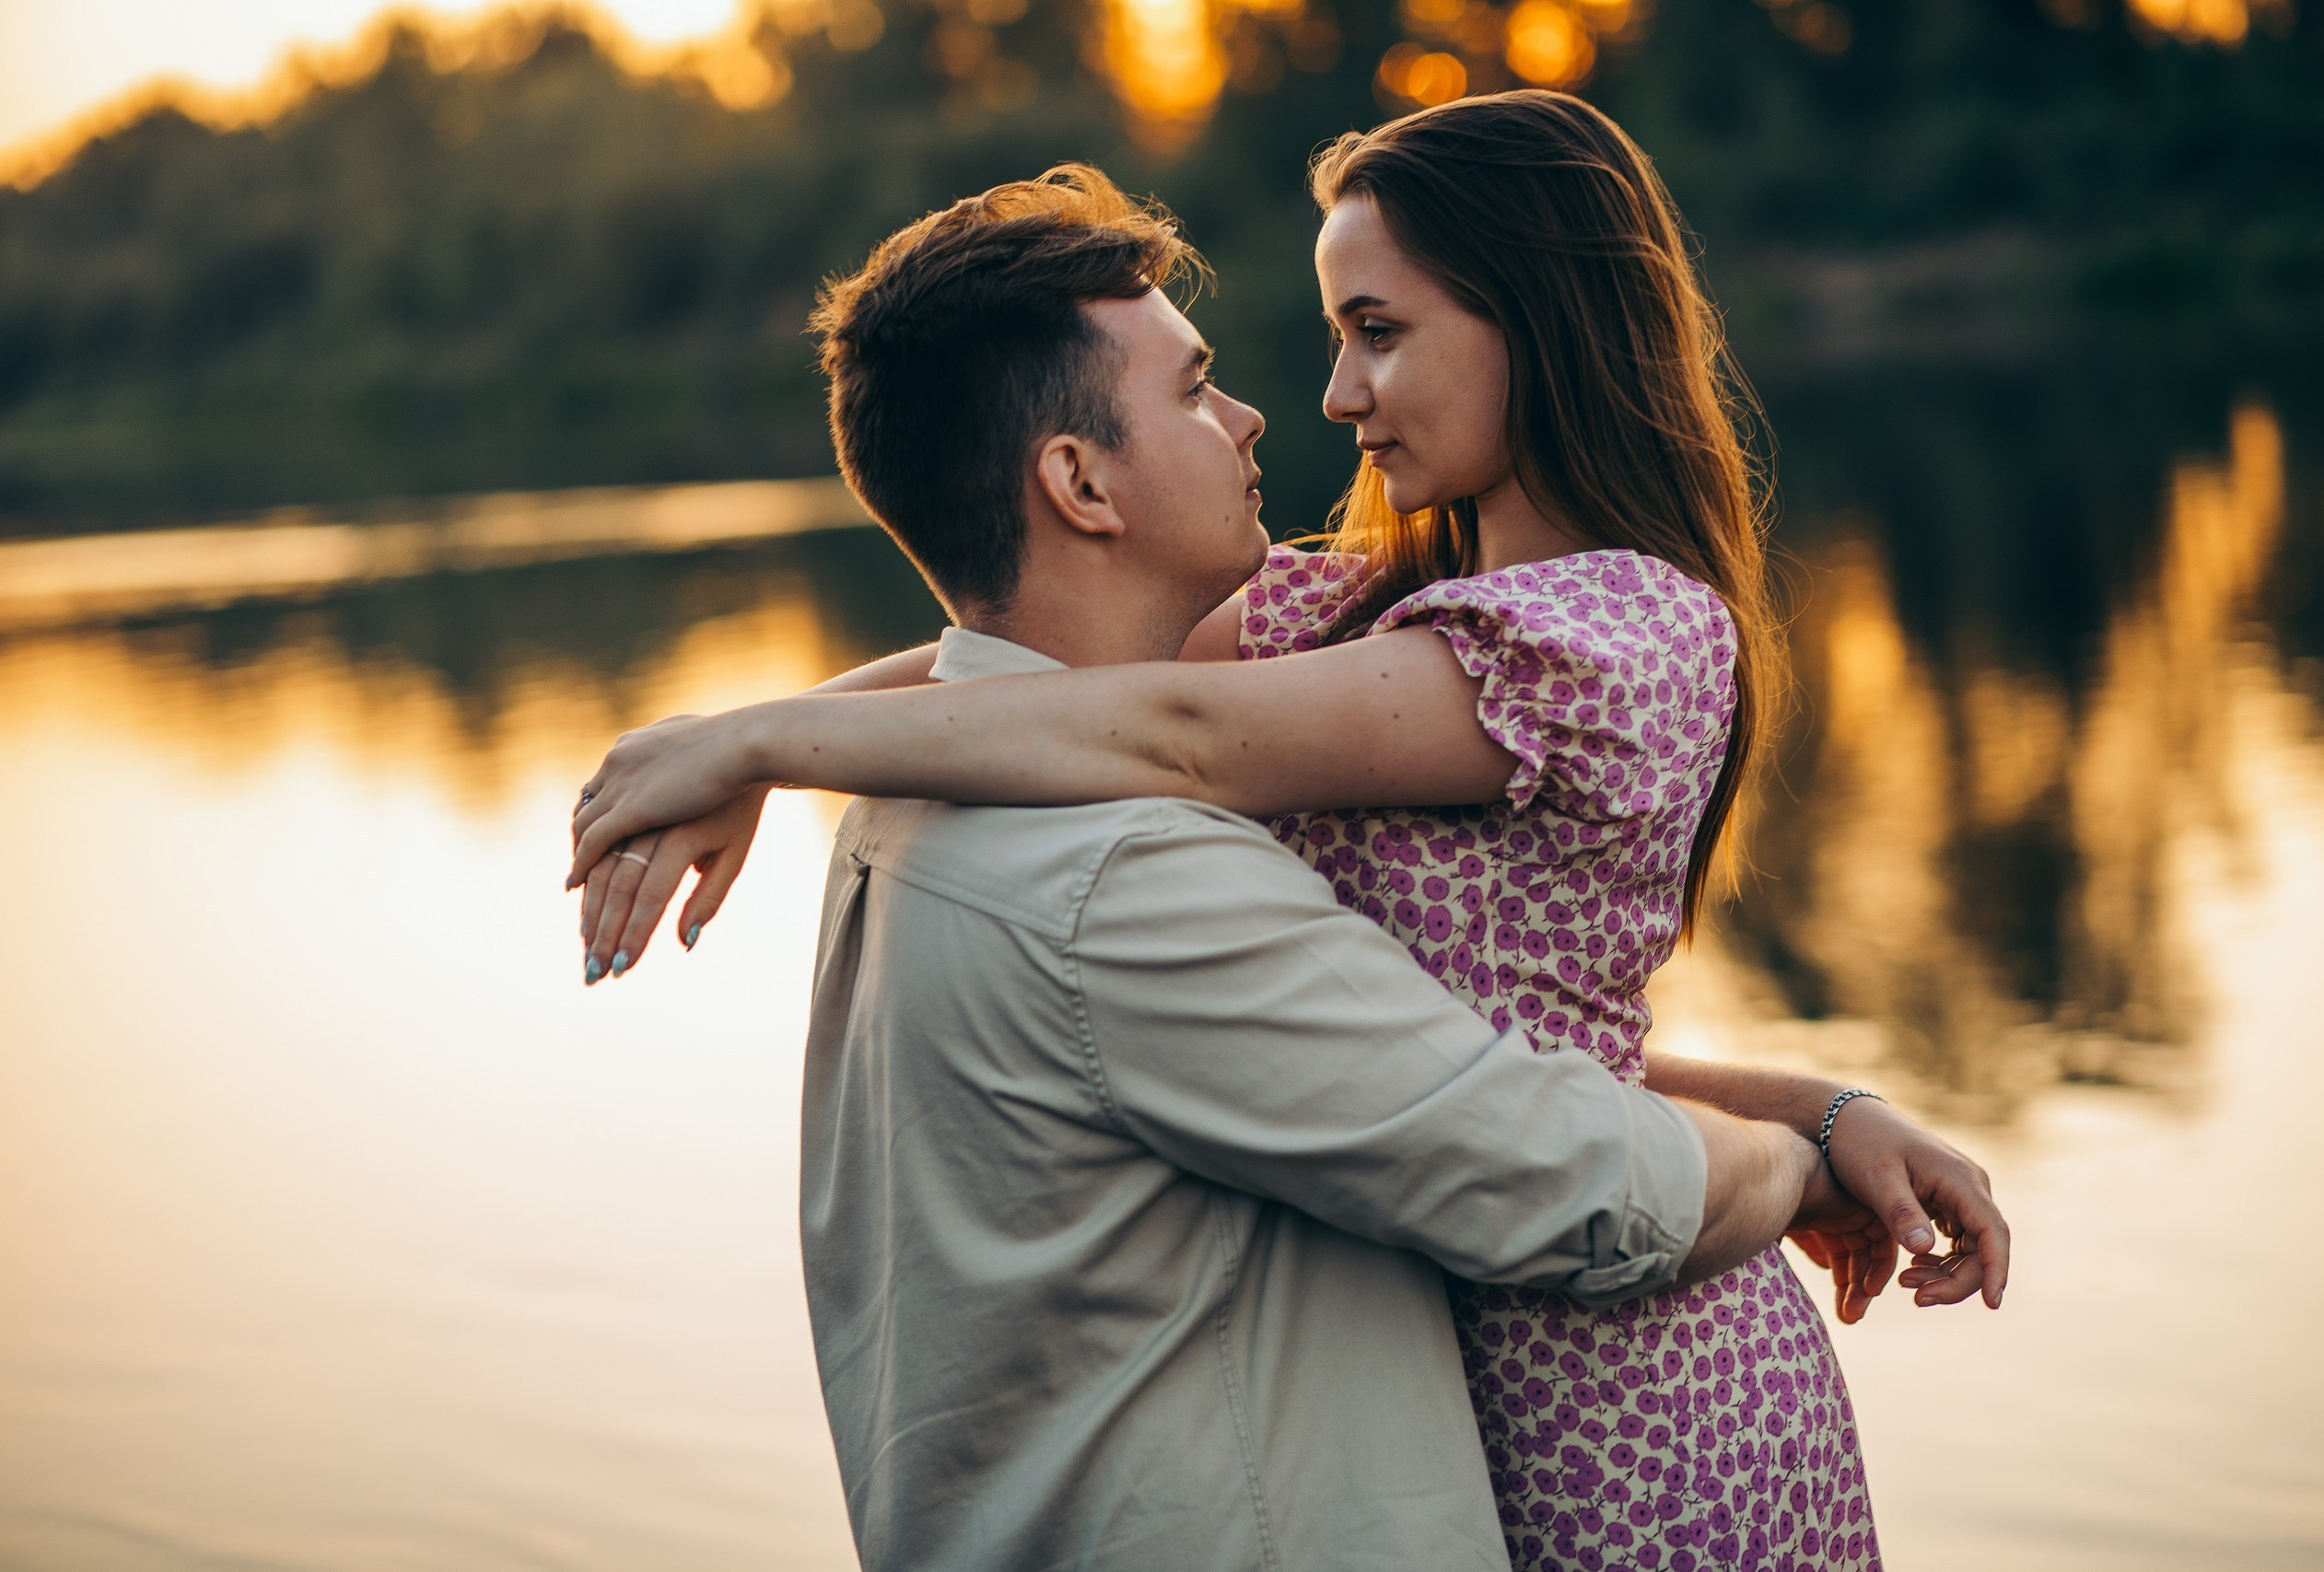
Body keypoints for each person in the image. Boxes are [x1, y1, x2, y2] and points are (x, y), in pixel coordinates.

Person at [571, 100, 2006, 1571]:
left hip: (1638, 1395)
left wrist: (757, 744)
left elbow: (1155, 729)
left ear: (1540, 321)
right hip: (1488, 1341)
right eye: (1333, 337)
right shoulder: (1357, 613)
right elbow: (1039, 684)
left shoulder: (1613, 636)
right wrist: (751, 737)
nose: (1327, 397)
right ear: (1078, 480)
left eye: (1377, 331)